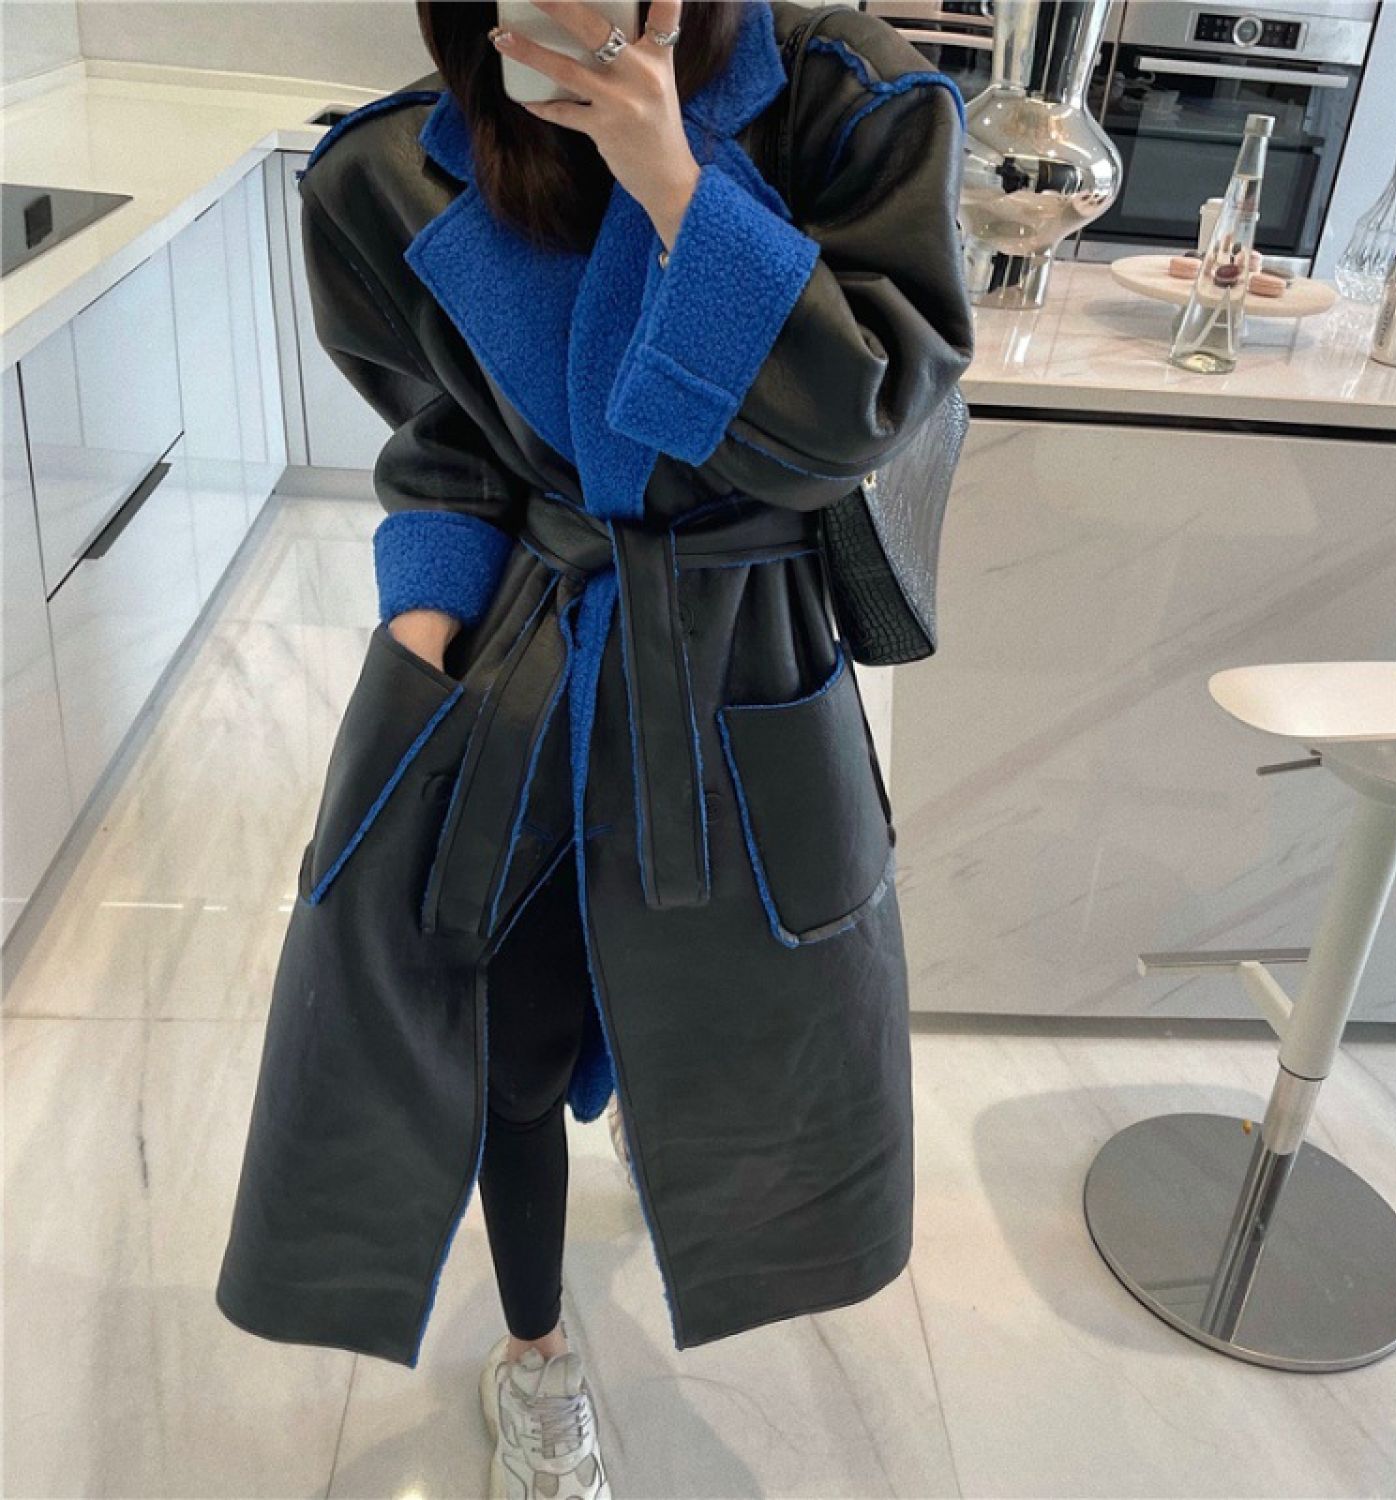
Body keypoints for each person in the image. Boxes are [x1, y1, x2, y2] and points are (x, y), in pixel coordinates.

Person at [214, 1, 973, 1495]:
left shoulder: (847, 103)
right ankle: (539, 1351)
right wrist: (422, 629)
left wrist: (678, 182)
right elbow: (445, 440)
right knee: (503, 1035)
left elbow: (860, 417)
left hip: (745, 659)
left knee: (728, 1021)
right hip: (526, 653)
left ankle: (653, 1136)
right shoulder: (391, 172)